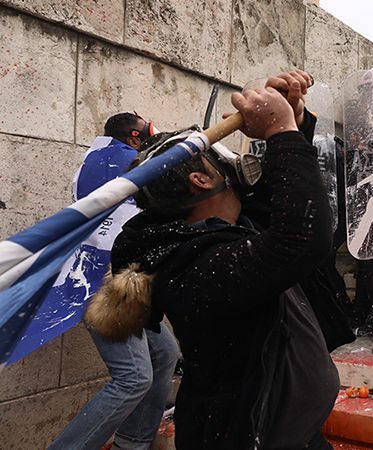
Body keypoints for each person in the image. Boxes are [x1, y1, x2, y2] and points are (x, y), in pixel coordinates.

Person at [84, 70, 344, 449]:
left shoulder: (230, 225)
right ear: (200, 180)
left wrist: (294, 123)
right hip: (242, 435)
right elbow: (301, 237)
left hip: (292, 432)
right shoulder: (194, 265)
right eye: (211, 157)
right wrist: (280, 131)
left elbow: (282, 201)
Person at [50, 113, 180, 450]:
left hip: (109, 276)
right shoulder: (131, 160)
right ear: (135, 137)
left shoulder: (97, 158)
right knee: (134, 377)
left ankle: (132, 442)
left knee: (164, 352)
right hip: (105, 281)